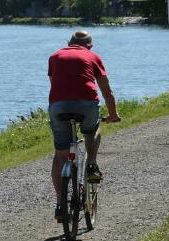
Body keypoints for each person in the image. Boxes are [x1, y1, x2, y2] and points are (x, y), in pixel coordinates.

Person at [48, 31, 120, 220]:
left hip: (58, 106)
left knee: (60, 155)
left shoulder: (55, 56)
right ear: (90, 46)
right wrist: (113, 114)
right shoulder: (93, 56)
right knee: (92, 130)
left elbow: (54, 84)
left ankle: (60, 205)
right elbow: (107, 91)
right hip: (86, 105)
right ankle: (91, 164)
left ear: (69, 42)